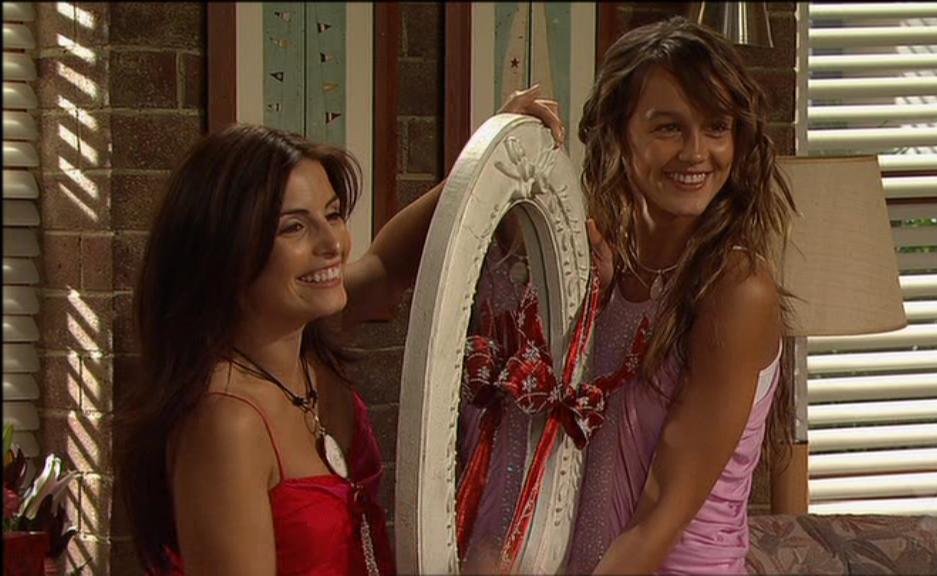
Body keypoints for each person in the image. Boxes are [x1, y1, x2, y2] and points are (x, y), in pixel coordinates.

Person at [114, 87, 562, 575]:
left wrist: (487, 163)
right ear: (225, 251)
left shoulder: (304, 345)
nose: (332, 243)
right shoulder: (226, 423)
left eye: (332, 215)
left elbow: (386, 267)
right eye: (294, 228)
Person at [566, 17, 796, 574]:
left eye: (716, 127)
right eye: (669, 128)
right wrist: (498, 145)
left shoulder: (735, 290)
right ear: (619, 134)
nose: (697, 153)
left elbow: (659, 519)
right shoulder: (607, 271)